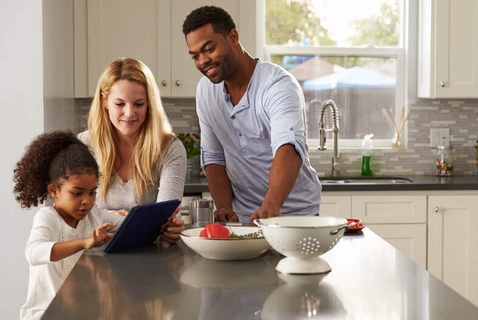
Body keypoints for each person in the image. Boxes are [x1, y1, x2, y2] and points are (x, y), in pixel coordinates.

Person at [182, 6, 322, 223]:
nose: (202, 61)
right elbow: (213, 156)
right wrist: (225, 208)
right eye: (195, 56)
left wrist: (271, 204)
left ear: (233, 37)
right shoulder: (205, 91)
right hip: (243, 218)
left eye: (209, 49)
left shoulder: (277, 85)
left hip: (295, 216)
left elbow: (288, 147)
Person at [14, 130, 125, 320]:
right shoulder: (47, 218)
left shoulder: (94, 214)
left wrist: (160, 223)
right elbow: (33, 252)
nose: (86, 201)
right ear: (54, 191)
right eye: (77, 193)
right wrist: (85, 242)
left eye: (92, 193)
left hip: (80, 312)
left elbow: (128, 225)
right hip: (45, 314)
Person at [78, 57, 186, 243]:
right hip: (93, 252)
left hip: (150, 256)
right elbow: (74, 212)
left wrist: (171, 227)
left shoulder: (170, 149)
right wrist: (116, 217)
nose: (129, 113)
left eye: (139, 104)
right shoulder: (84, 145)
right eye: (119, 104)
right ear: (104, 101)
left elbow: (161, 219)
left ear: (150, 104)